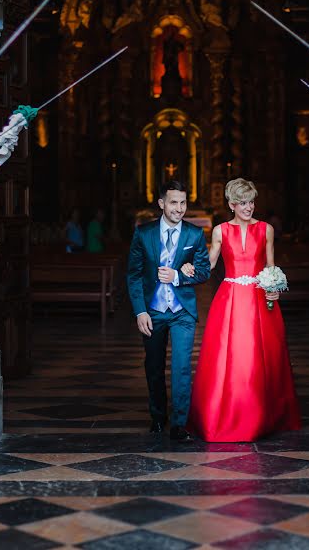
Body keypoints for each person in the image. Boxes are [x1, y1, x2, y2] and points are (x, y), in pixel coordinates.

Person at [185, 178, 301, 442]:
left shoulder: (266, 229)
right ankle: (226, 416)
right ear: (232, 204)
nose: (249, 207)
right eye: (242, 202)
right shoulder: (220, 231)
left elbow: (270, 267)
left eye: (251, 201)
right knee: (232, 357)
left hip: (260, 299)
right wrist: (191, 269)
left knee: (260, 357)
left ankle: (261, 417)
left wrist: (275, 287)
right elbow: (210, 264)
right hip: (230, 299)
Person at [126, 180, 210, 441]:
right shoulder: (143, 233)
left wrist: (178, 276)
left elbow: (204, 272)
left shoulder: (194, 235)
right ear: (162, 203)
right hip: (153, 311)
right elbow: (134, 275)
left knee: (182, 366)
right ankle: (158, 417)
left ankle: (179, 424)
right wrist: (140, 311)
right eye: (174, 202)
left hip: (182, 311)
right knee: (154, 365)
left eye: (183, 202)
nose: (179, 208)